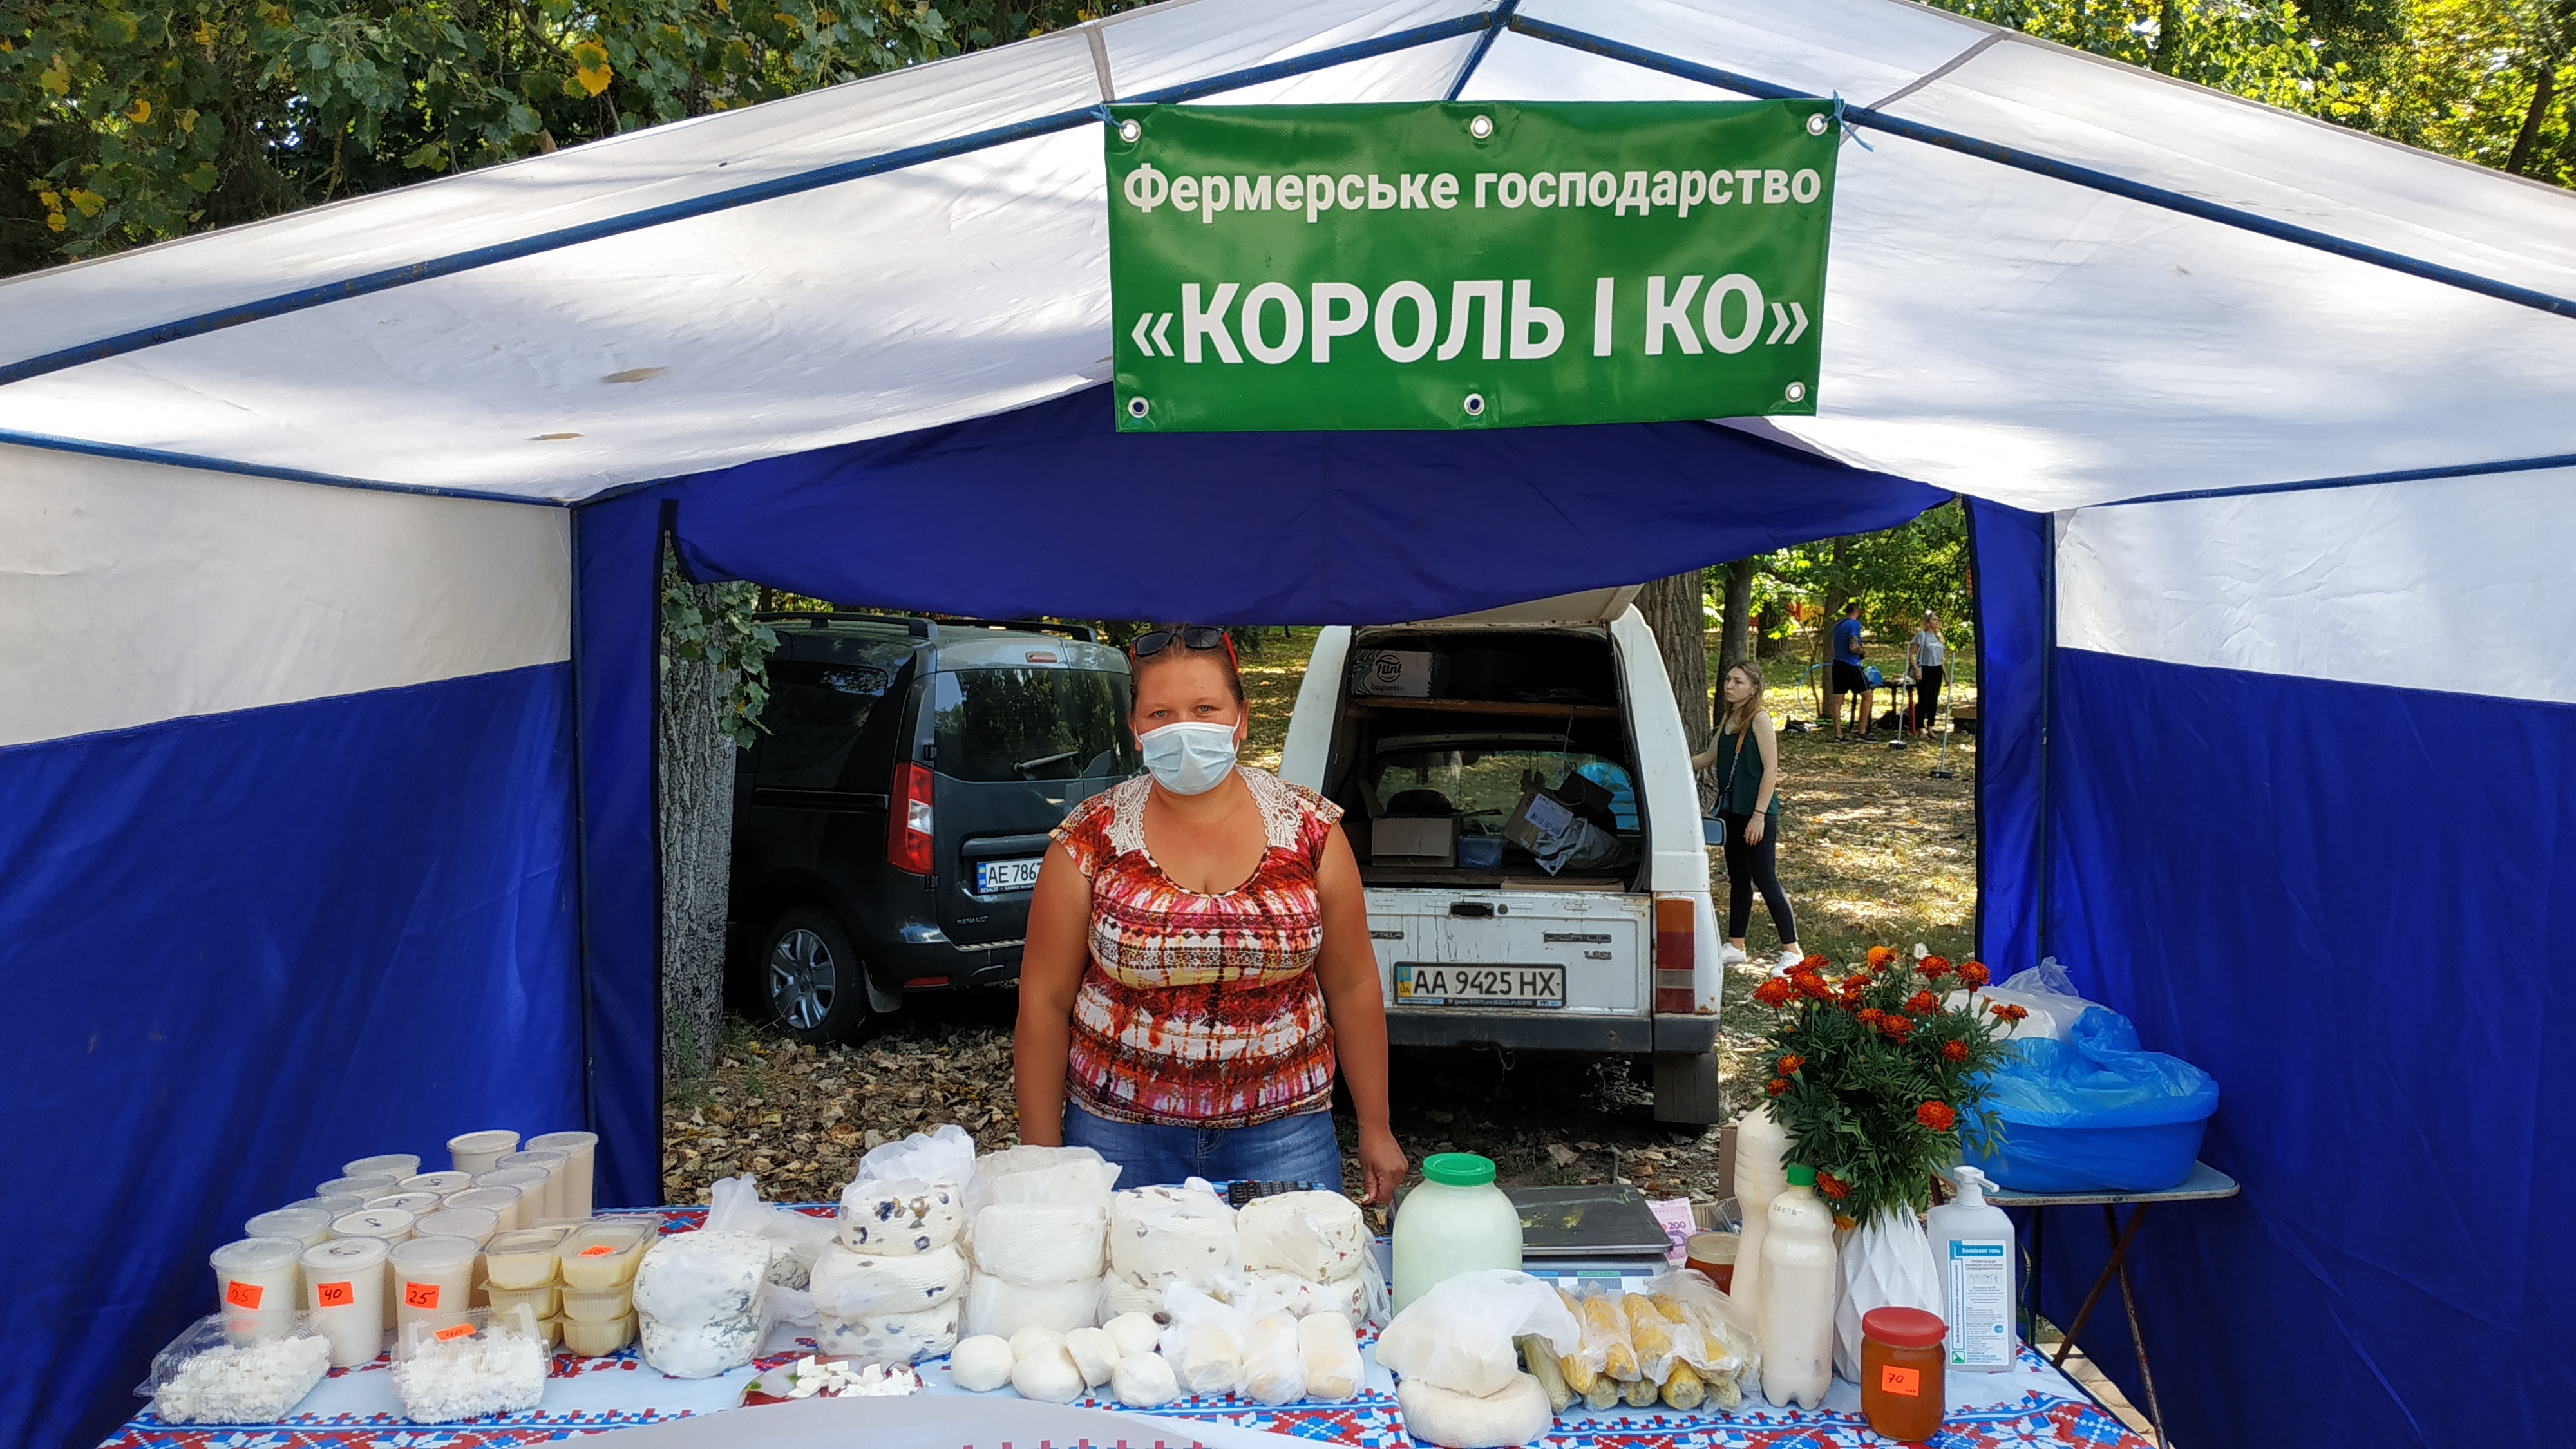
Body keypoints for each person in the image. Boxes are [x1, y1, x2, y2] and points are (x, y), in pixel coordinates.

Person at [1014, 624, 1408, 1200]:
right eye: (1160, 714)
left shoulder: (1309, 829)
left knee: (1292, 1266)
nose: (1183, 729)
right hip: (1118, 1140)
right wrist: (1042, 1160)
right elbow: (1043, 1002)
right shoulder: (1091, 836)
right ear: (1135, 731)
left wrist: (1376, 1126)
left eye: (1204, 709)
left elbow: (1352, 985)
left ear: (1241, 720)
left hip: (1285, 1136)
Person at [1691, 661, 1803, 974]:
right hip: (1733, 811)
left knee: (1765, 879)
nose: (1729, 685)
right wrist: (1672, 762)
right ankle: (1736, 946)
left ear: (1754, 688)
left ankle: (1792, 951)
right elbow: (1708, 758)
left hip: (1756, 813)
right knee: (1739, 878)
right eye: (1728, 679)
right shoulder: (1730, 718)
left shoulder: (1760, 719)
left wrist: (1759, 815)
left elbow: (1771, 769)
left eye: (1738, 682)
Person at [1828, 600, 1874, 740]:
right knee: (1868, 696)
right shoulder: (1854, 625)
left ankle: (1838, 734)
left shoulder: (1838, 625)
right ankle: (1861, 731)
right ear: (1857, 612)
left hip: (1838, 664)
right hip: (1851, 665)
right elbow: (1853, 646)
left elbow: (1833, 646)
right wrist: (1864, 652)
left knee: (1838, 700)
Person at [1906, 611, 1947, 732]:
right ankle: (1920, 727)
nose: (1936, 622)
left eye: (1937, 620)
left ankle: (1931, 725)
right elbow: (1910, 655)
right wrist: (1917, 670)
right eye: (1934, 620)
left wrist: (1945, 675)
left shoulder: (1939, 637)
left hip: (1937, 670)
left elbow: (1941, 659)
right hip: (1925, 669)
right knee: (1924, 698)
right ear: (1928, 623)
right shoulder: (1921, 636)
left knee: (1934, 698)